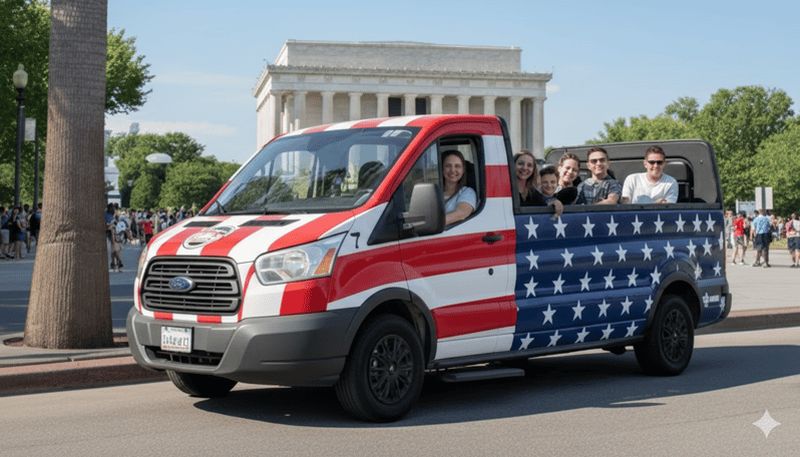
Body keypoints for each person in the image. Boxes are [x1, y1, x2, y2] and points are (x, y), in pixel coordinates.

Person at [512, 151, 564, 216]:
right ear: (512, 165)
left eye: (529, 165)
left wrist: (553, 202)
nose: (525, 168)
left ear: (533, 170)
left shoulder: (532, 192)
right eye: (520, 164)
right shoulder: (505, 191)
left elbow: (543, 202)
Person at [441, 150, 477, 225]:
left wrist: (432, 224)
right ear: (442, 169)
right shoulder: (434, 192)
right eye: (448, 166)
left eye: (457, 166)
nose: (452, 170)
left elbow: (461, 214)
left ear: (463, 170)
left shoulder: (467, 192)